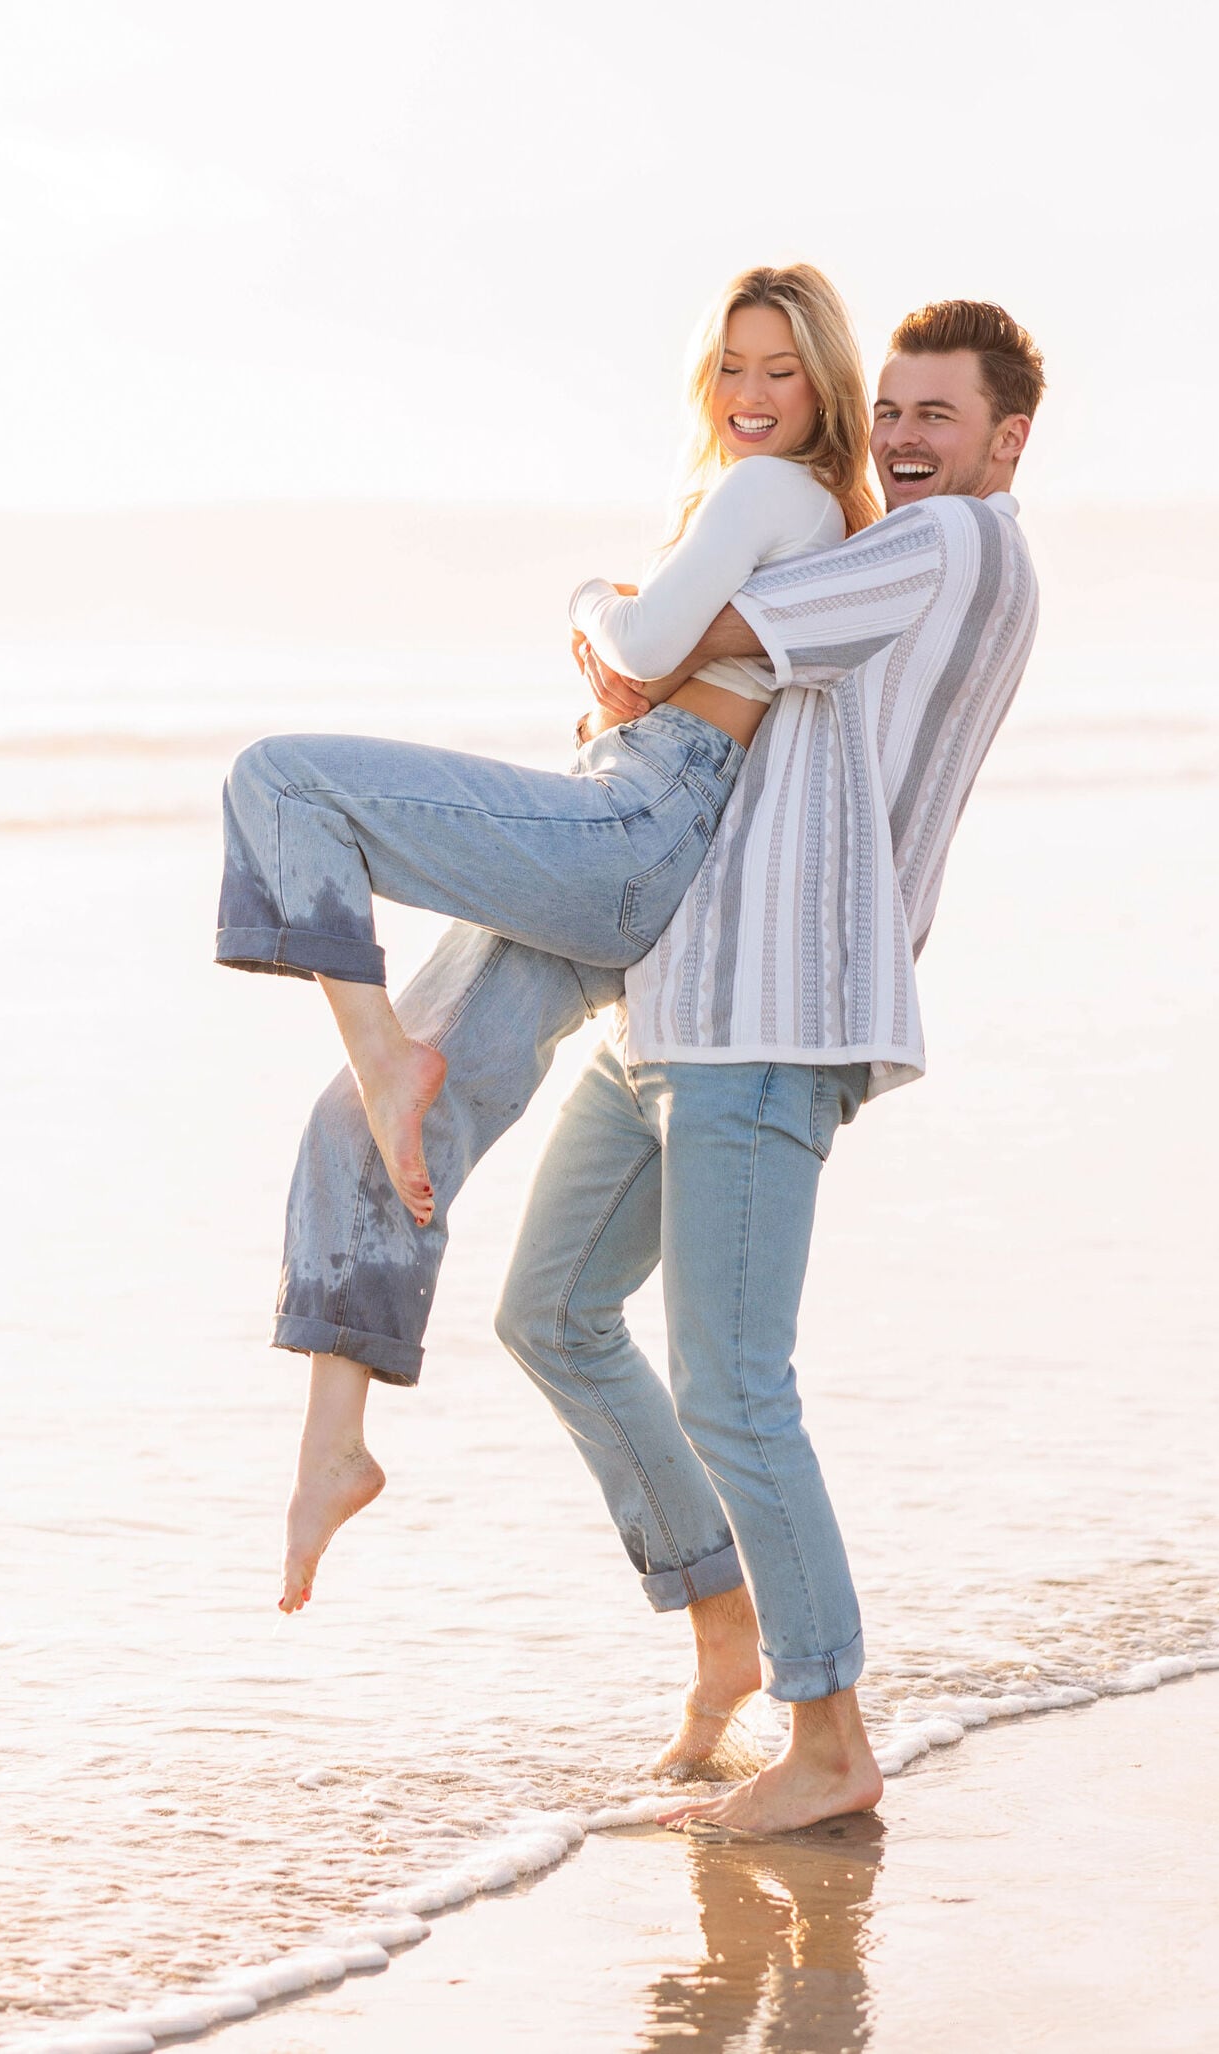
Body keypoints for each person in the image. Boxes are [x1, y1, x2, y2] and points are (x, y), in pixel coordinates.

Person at [214, 265, 879, 1604]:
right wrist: (629, 679)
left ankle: (382, 1046)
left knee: (279, 778)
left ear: (823, 389)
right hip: (634, 833)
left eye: (779, 371)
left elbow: (634, 639)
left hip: (636, 822)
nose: (750, 396)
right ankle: (335, 1447)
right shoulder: (806, 514)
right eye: (731, 369)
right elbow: (652, 674)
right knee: (374, 1130)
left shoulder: (768, 494)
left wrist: (585, 593)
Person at [495, 300, 1044, 1830]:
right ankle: (721, 1625)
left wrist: (606, 607)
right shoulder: (888, 541)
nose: (908, 439)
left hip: (772, 1011)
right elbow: (694, 647)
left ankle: (828, 1736)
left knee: (735, 1387)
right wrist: (642, 636)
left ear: (1007, 439)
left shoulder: (955, 547)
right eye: (897, 411)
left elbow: (687, 633)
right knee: (545, 1308)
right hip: (672, 997)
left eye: (942, 415)